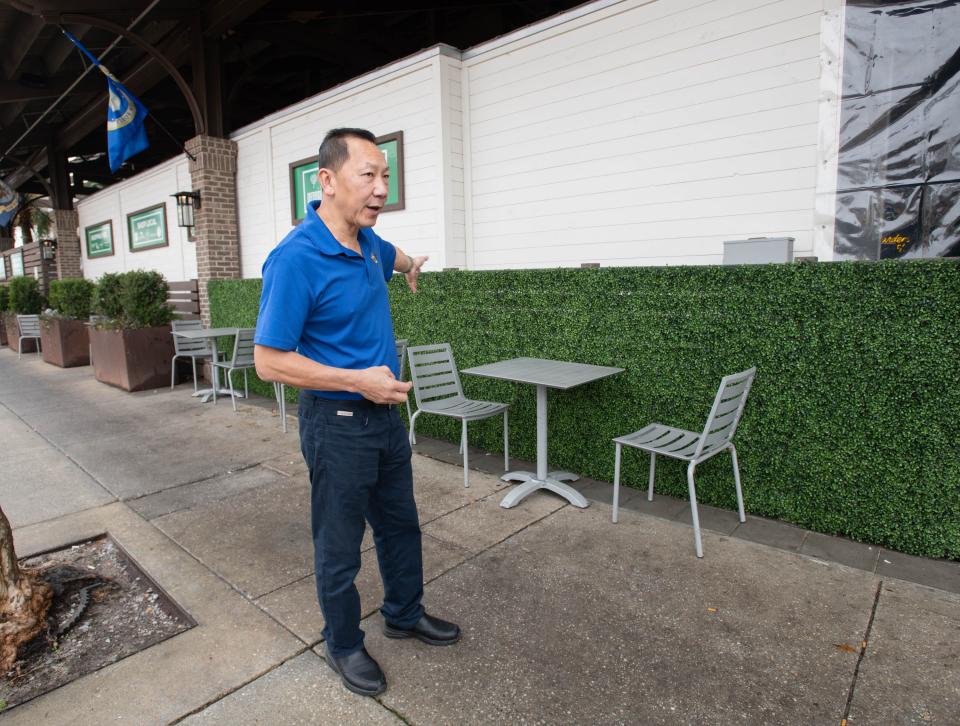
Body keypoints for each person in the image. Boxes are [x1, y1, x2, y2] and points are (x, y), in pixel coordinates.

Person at [253, 128, 460, 697]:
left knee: (400, 526)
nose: (380, 188)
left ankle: (403, 613)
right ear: (327, 180)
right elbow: (268, 362)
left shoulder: (368, 241)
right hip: (336, 425)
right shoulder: (295, 258)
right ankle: (343, 643)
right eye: (368, 174)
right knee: (339, 545)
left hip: (384, 420)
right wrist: (357, 382)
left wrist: (409, 263)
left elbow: (390, 255)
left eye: (385, 176)